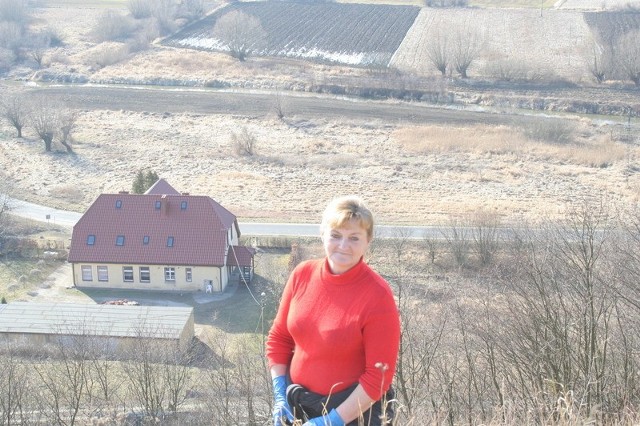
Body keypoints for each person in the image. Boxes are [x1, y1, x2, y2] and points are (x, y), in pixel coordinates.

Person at [266, 195, 401, 426]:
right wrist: (280, 394)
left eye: (354, 238)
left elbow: (378, 378)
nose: (343, 246)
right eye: (336, 235)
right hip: (298, 406)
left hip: (354, 414)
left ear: (368, 241)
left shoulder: (378, 295)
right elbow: (279, 339)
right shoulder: (302, 274)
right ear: (322, 234)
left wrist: (331, 421)